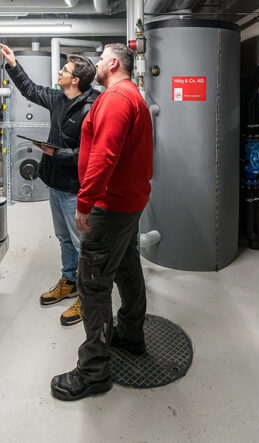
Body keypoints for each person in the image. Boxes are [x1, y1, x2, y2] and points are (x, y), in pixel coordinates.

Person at [50, 42, 153, 401]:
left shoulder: (114, 99)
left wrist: (85, 202)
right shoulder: (132, 96)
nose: (95, 63)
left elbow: (104, 156)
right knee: (127, 266)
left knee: (93, 283)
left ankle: (94, 371)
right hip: (129, 202)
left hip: (110, 206)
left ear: (111, 62)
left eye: (100, 58)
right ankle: (131, 334)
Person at [0, 44, 98, 326]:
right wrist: (13, 64)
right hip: (55, 181)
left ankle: (87, 298)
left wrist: (59, 154)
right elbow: (30, 90)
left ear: (75, 80)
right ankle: (69, 281)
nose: (60, 72)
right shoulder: (59, 98)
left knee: (82, 245)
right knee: (65, 238)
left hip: (75, 186)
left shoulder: (94, 106)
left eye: (65, 70)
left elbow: (93, 153)